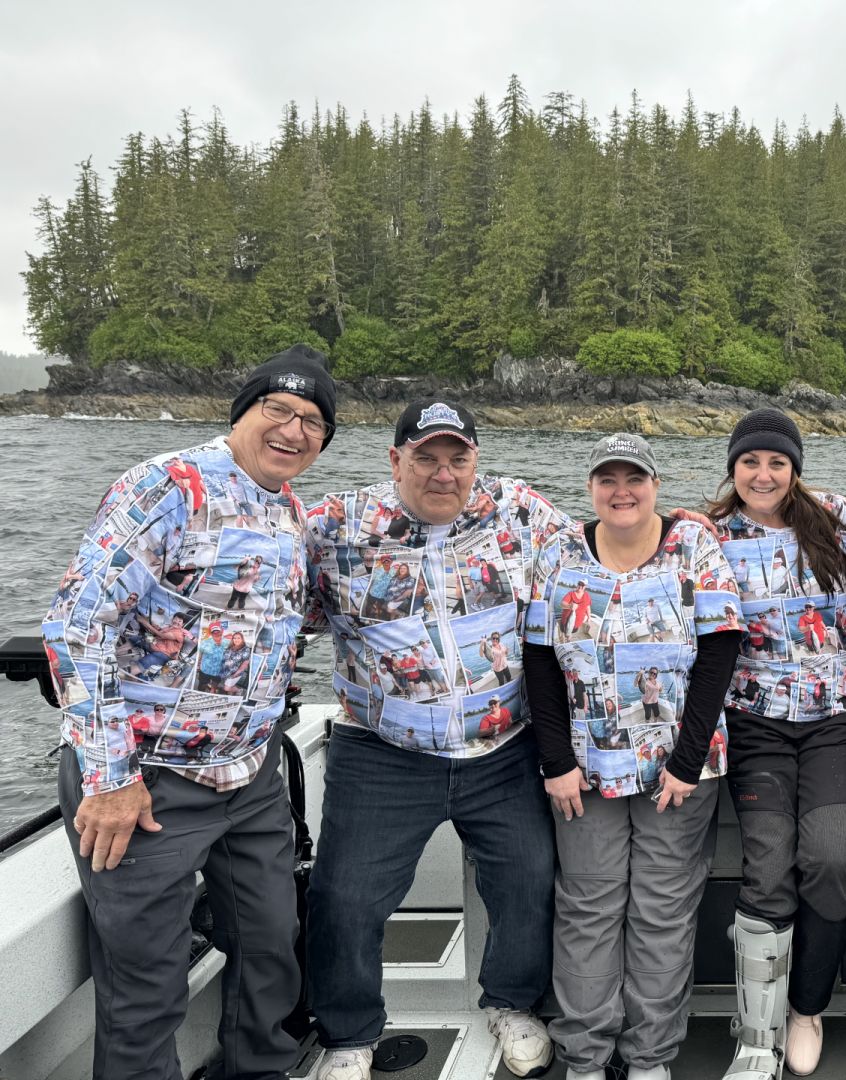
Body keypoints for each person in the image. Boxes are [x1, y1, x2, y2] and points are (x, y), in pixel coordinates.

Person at [43, 344, 336, 1080]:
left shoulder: (290, 510)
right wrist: (110, 778)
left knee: (271, 941)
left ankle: (259, 1069)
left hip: (250, 773)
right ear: (242, 412)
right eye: (278, 409)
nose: (294, 430)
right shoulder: (166, 487)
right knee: (147, 978)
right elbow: (76, 626)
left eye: (313, 421)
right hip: (147, 782)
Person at [304, 400, 570, 1080]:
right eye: (426, 457)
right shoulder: (333, 525)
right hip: (381, 751)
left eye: (458, 458)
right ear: (396, 460)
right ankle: (348, 1034)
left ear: (476, 461)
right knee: (345, 897)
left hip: (503, 747)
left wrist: (679, 530)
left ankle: (511, 1001)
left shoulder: (521, 512)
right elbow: (260, 598)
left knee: (530, 878)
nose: (443, 473)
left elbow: (603, 557)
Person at [524, 432, 742, 1080]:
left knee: (662, 913)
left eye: (634, 478)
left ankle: (649, 1057)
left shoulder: (694, 544)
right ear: (591, 487)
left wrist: (685, 761)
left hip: (679, 770)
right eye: (608, 479)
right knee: (587, 910)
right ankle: (586, 1057)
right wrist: (556, 761)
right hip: (585, 770)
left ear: (655, 485)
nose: (622, 491)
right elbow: (539, 660)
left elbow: (719, 655)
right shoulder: (558, 551)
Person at [702, 409, 846, 1079]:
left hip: (835, 721)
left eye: (777, 462)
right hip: (755, 722)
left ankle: (806, 1009)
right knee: (768, 868)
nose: (763, 474)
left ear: (795, 468)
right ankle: (756, 1034)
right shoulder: (708, 535)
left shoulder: (839, 520)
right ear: (733, 468)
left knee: (829, 856)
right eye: (750, 461)